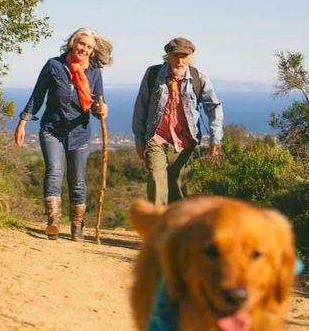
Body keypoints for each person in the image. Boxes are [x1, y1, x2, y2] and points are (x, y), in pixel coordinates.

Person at [14, 27, 113, 241]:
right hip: (52, 129)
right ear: (72, 43)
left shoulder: (95, 73)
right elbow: (37, 95)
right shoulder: (54, 66)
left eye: (88, 47)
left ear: (93, 51)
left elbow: (98, 104)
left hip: (80, 133)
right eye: (81, 44)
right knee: (54, 171)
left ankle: (77, 226)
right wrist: (23, 122)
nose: (84, 49)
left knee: (77, 179)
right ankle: (54, 222)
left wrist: (102, 110)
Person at [132, 37, 223, 206]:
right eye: (176, 56)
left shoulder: (199, 78)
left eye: (184, 56)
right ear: (167, 56)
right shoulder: (153, 74)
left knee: (177, 189)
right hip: (156, 138)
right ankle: (157, 228)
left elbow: (214, 108)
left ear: (190, 57)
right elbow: (140, 107)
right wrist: (139, 140)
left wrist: (215, 139)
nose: (180, 61)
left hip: (184, 142)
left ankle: (175, 228)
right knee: (156, 180)